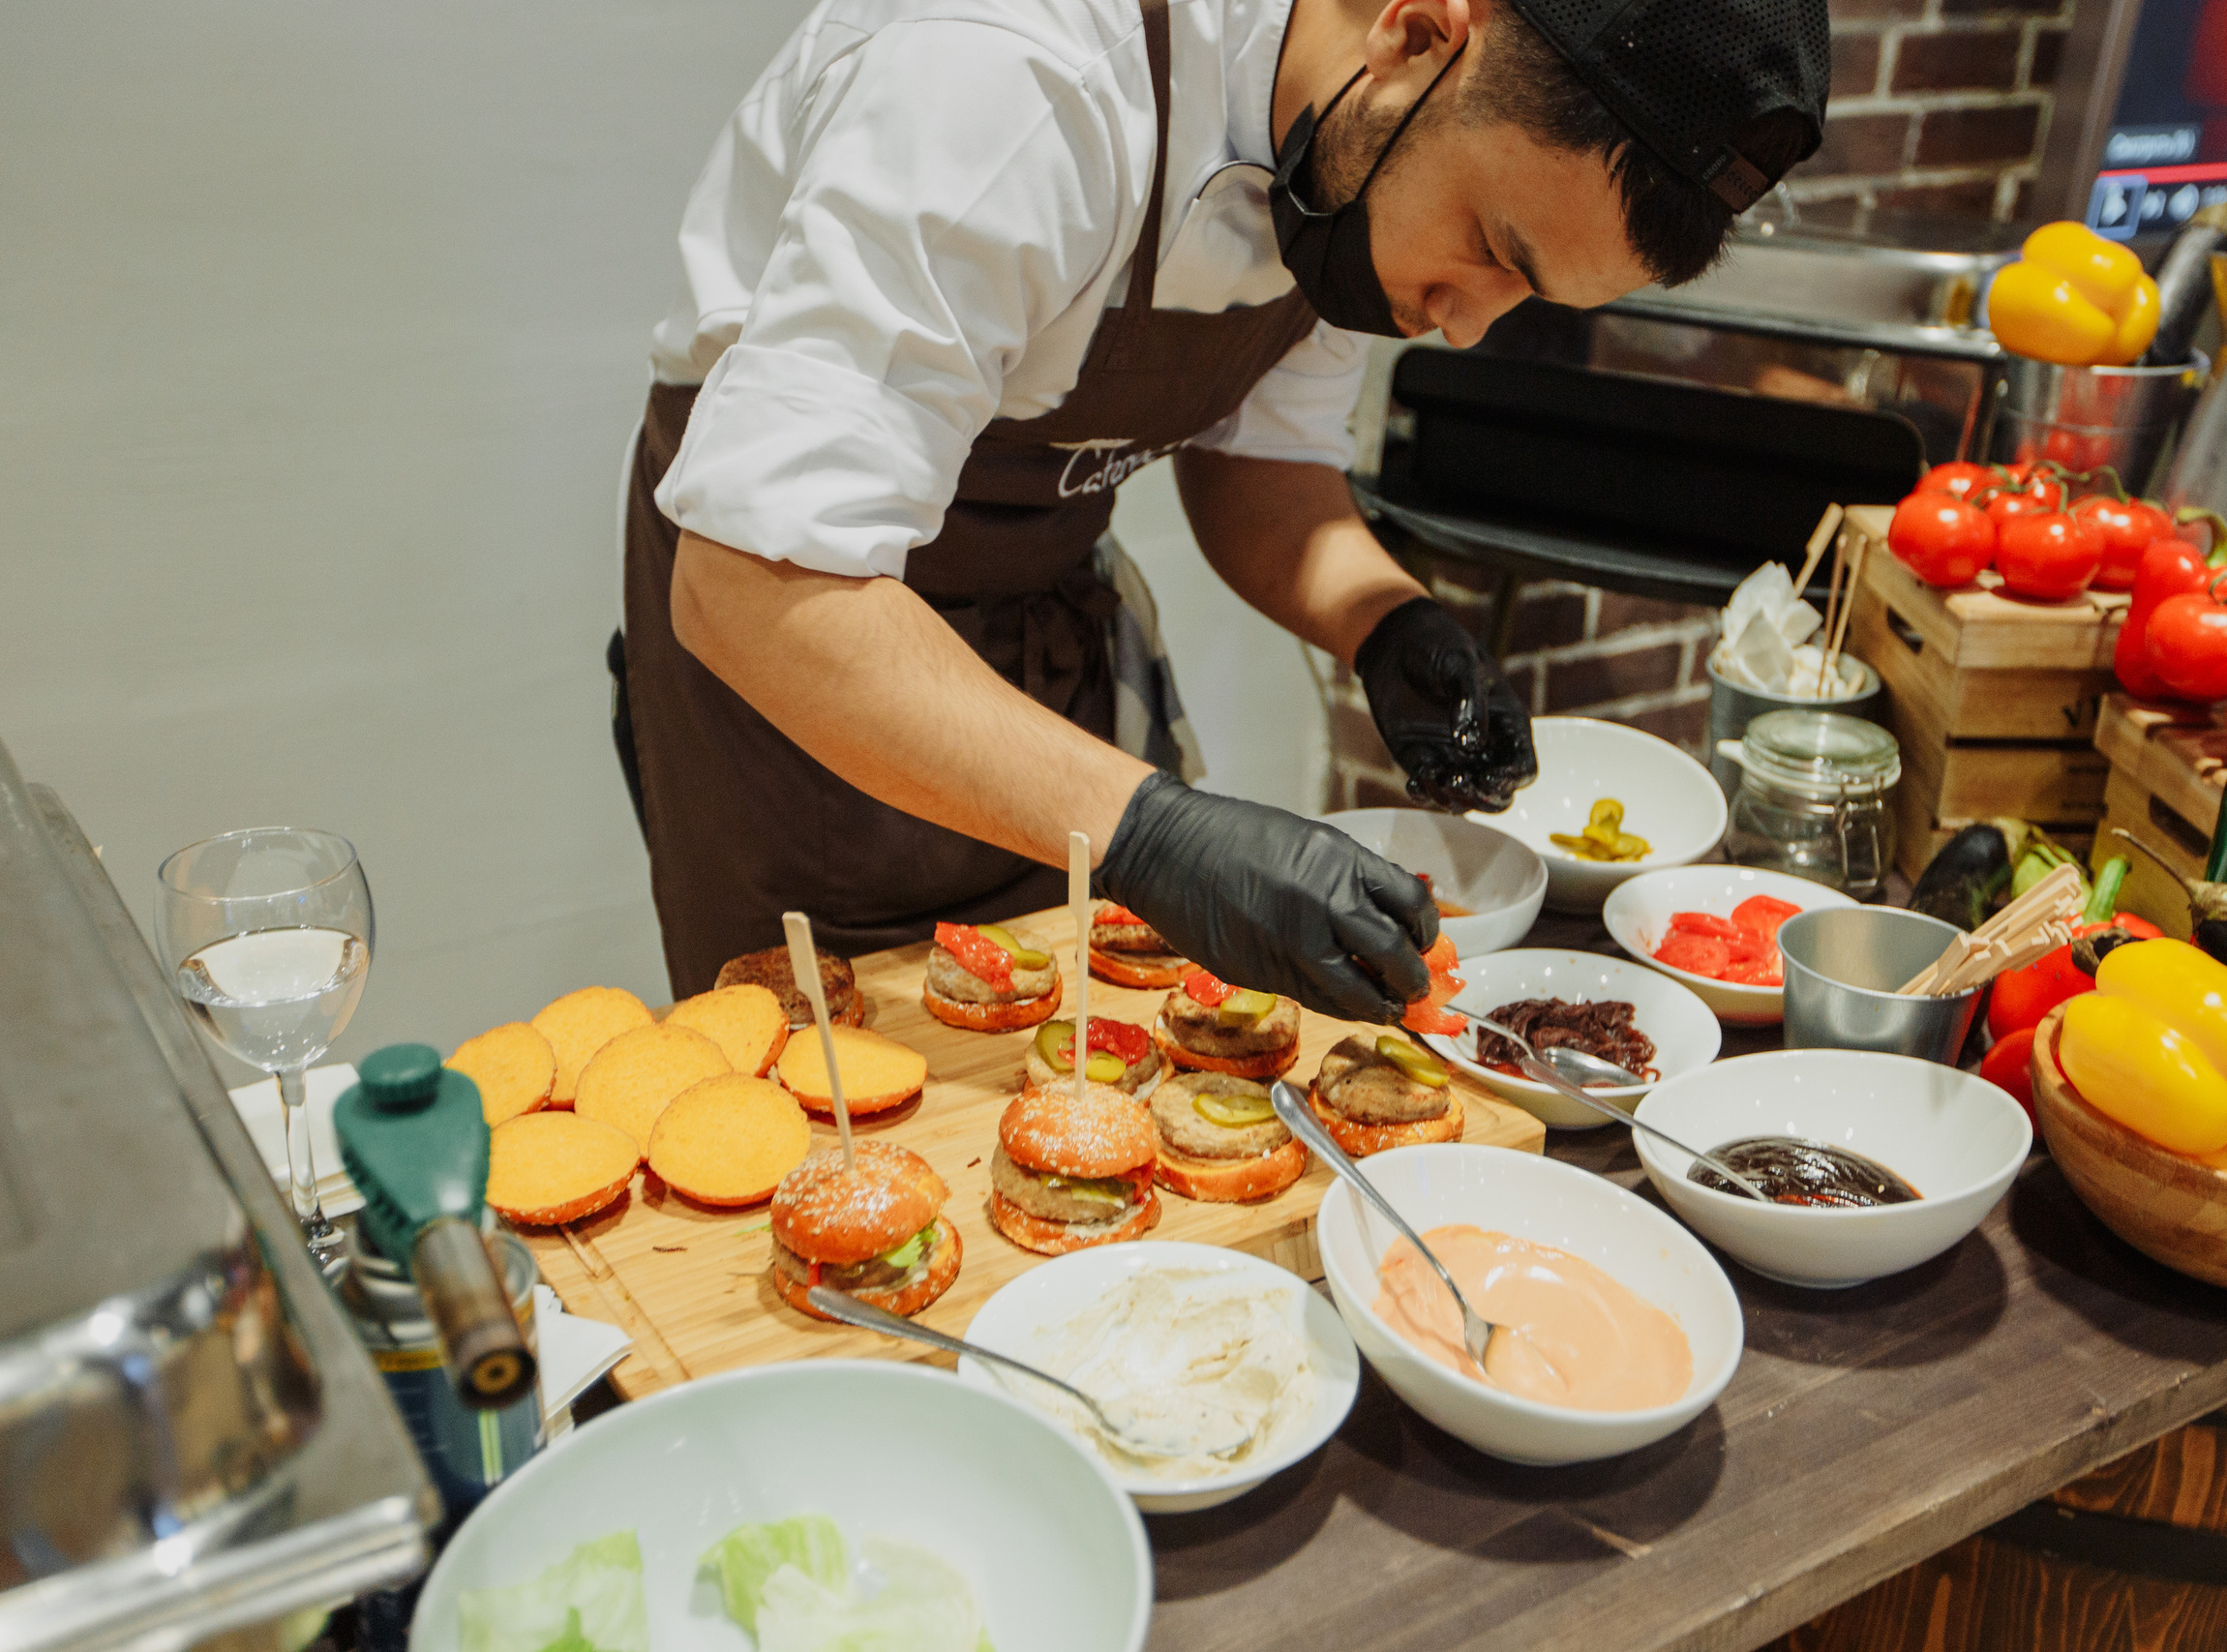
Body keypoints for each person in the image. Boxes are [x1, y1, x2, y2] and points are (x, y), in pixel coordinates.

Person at [617, 0, 1827, 1023]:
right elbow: (756, 589)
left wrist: (1385, 622)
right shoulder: (1011, 78)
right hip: (803, 695)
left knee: (1070, 1075)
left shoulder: (1344, 138)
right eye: (1490, 247)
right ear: (1416, 33)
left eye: (1529, 296)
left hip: (1041, 659)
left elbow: (1263, 469)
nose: (1464, 323)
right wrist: (1154, 837)